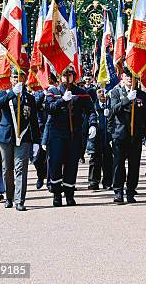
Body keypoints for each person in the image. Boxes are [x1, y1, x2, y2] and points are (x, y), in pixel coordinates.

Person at [44, 67, 97, 207]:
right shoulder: (53, 92)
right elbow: (48, 108)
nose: (68, 78)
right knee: (55, 163)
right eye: (65, 75)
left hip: (74, 134)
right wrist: (62, 100)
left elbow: (90, 110)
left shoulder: (81, 93)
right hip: (56, 133)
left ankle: (69, 193)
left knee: (72, 164)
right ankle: (56, 193)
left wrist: (93, 124)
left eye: (70, 75)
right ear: (60, 76)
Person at [0, 68, 41, 211]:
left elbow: (33, 120)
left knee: (21, 168)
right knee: (7, 169)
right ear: (10, 79)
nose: (17, 80)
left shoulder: (30, 98)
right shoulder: (4, 94)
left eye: (20, 78)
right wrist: (12, 93)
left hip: (24, 137)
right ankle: (9, 197)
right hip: (6, 136)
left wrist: (36, 141)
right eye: (14, 77)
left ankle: (20, 200)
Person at [109, 67, 146, 203]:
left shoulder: (141, 95)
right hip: (120, 134)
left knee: (134, 165)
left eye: (132, 76)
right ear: (122, 77)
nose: (129, 79)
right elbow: (114, 110)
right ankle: (118, 191)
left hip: (136, 135)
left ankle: (131, 191)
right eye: (127, 76)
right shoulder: (116, 92)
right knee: (118, 165)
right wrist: (127, 99)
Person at [87, 88, 113, 190]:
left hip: (108, 136)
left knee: (108, 160)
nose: (102, 94)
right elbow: (89, 118)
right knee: (95, 160)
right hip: (96, 137)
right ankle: (93, 181)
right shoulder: (93, 107)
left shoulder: (111, 106)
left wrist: (110, 113)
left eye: (104, 91)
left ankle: (108, 182)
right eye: (99, 92)